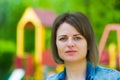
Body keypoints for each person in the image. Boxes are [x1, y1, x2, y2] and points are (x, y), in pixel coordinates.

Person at [47, 12, 120, 80]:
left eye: (77, 38)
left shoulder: (113, 78)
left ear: (88, 43)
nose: (70, 44)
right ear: (55, 44)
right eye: (63, 38)